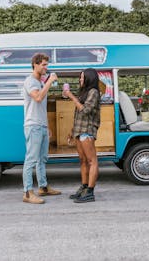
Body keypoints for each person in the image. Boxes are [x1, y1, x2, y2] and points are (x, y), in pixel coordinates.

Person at [22, 53, 61, 204]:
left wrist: (47, 126)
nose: (46, 67)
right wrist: (50, 81)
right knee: (31, 159)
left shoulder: (39, 82)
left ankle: (43, 187)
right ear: (35, 65)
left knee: (42, 159)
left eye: (47, 65)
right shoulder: (30, 81)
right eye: (44, 64)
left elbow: (41, 108)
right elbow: (37, 98)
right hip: (33, 126)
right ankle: (27, 193)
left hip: (41, 126)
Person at [63, 68, 101, 203]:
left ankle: (90, 192)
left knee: (92, 161)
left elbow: (85, 110)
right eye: (80, 77)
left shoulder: (94, 92)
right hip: (79, 131)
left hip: (87, 131)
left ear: (89, 79)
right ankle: (84, 188)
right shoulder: (84, 92)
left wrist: (71, 96)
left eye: (82, 77)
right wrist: (72, 131)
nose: (80, 80)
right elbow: (78, 115)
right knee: (83, 161)